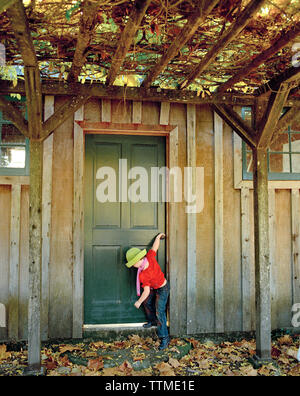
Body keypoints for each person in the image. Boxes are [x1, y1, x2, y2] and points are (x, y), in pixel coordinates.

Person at [125, 233, 170, 350]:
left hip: (163, 288)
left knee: (160, 311)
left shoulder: (144, 275)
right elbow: (155, 247)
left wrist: (138, 301)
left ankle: (164, 337)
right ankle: (152, 321)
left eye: (133, 263)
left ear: (139, 260)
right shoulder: (149, 257)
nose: (133, 266)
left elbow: (145, 292)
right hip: (153, 287)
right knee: (147, 302)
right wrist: (157, 238)